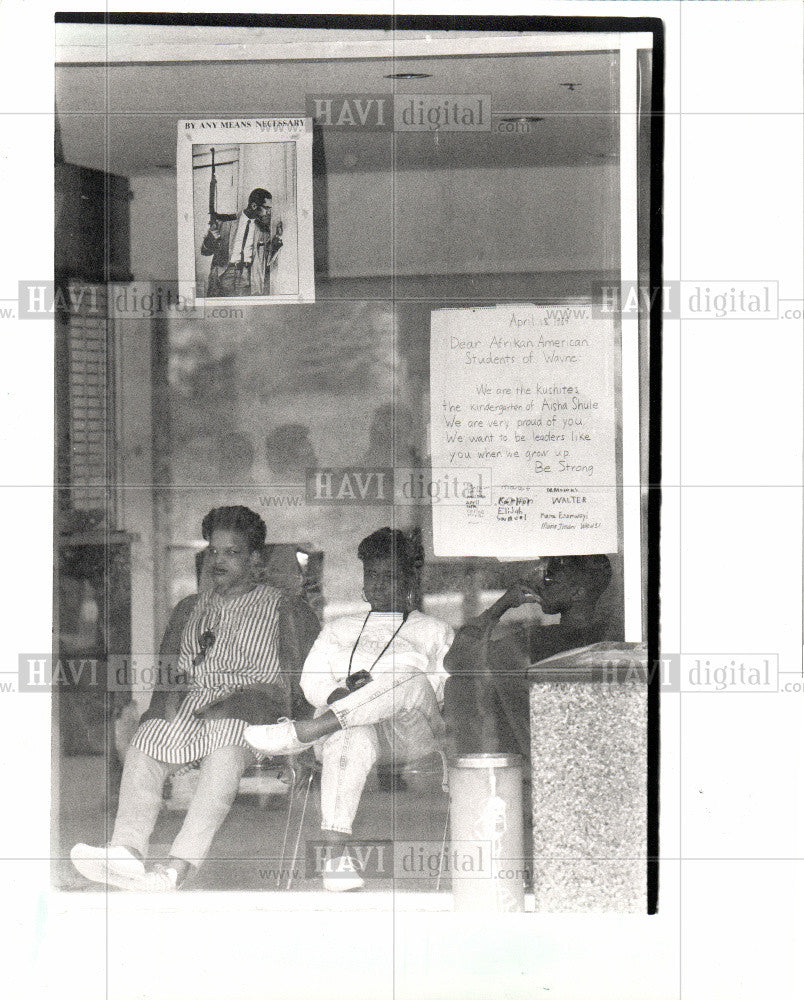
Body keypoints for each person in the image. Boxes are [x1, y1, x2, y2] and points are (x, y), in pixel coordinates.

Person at [70, 506, 315, 892]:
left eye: (231, 553)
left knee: (223, 758)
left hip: (250, 706)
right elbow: (168, 674)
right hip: (190, 703)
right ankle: (127, 850)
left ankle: (177, 866)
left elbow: (300, 678)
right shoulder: (190, 607)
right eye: (214, 551)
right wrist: (159, 714)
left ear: (254, 559)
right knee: (146, 743)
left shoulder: (282, 608)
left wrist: (298, 742)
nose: (218, 560)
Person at [245, 528, 454, 891]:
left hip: (408, 732)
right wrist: (342, 693)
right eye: (371, 575)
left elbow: (439, 690)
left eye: (389, 576)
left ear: (408, 579)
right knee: (351, 734)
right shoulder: (340, 627)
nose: (378, 585)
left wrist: (378, 691)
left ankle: (301, 733)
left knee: (407, 676)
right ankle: (335, 861)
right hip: (347, 729)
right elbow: (311, 682)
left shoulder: (434, 630)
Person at [443, 555, 615, 759]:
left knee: (458, 685)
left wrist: (501, 605)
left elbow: (456, 662)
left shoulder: (538, 641)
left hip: (534, 757)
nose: (542, 584)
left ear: (577, 593)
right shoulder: (606, 635)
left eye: (551, 580)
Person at [200, 187, 283, 297]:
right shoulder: (225, 222)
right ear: (254, 206)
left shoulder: (263, 230)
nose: (269, 212)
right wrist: (210, 238)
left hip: (248, 276)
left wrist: (277, 237)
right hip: (224, 273)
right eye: (266, 208)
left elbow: (266, 259)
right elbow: (205, 251)